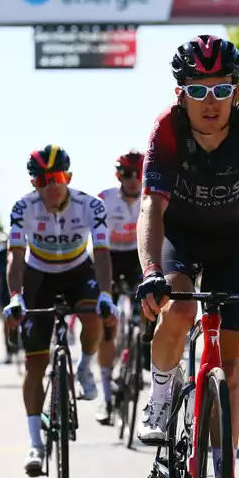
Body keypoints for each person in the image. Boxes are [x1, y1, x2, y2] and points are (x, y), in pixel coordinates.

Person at [134, 35, 239, 478]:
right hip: (180, 240)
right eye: (198, 90)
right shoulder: (167, 128)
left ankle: (222, 463)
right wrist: (151, 271)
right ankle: (162, 393)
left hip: (229, 245)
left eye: (222, 89)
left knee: (228, 366)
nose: (211, 102)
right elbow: (152, 206)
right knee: (181, 307)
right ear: (180, 94)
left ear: (236, 92)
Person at [1, 144, 119, 475]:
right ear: (33, 184)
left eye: (56, 178)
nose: (50, 186)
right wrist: (14, 296)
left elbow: (104, 252)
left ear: (68, 176)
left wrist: (107, 294)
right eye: (41, 181)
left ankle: (85, 365)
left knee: (94, 316)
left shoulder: (90, 206)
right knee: (36, 363)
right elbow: (14, 255)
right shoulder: (23, 207)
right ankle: (35, 445)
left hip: (78, 272)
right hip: (38, 276)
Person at [93, 149, 144, 424]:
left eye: (138, 173)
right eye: (127, 174)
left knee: (149, 310)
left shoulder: (152, 197)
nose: (134, 179)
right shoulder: (105, 200)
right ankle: (105, 394)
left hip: (137, 257)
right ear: (118, 176)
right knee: (107, 326)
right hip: (109, 257)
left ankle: (139, 356)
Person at [0, 242, 17, 364]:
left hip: (21, 290)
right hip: (4, 291)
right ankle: (8, 351)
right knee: (6, 321)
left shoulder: (25, 252)